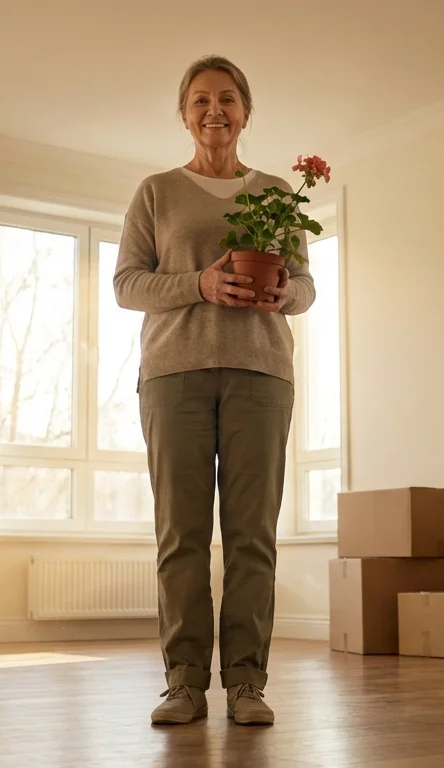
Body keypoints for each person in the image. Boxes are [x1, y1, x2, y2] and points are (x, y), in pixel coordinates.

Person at [113, 54, 315, 727]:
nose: (214, 111)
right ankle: (184, 683)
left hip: (262, 375)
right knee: (182, 536)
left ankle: (248, 682)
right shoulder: (157, 192)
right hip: (174, 377)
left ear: (245, 112)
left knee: (252, 535)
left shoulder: (280, 195)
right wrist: (198, 284)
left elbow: (305, 285)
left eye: (226, 99)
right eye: (200, 101)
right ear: (185, 115)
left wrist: (287, 292)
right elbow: (126, 285)